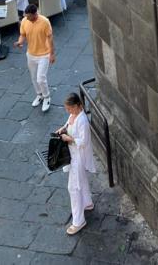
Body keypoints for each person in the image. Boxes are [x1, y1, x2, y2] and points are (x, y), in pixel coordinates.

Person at [57, 92, 96, 234]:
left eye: (70, 109)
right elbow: (68, 124)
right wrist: (63, 129)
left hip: (78, 156)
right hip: (73, 154)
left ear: (78, 106)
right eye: (67, 110)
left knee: (73, 188)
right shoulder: (73, 116)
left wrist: (70, 139)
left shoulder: (83, 121)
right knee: (82, 180)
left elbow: (84, 141)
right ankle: (87, 202)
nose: (68, 112)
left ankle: (78, 221)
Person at [14, 3, 55, 111]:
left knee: (40, 78)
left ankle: (47, 97)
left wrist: (52, 54)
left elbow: (50, 38)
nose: (26, 18)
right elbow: (23, 34)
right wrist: (19, 42)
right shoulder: (24, 21)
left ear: (35, 14)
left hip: (44, 54)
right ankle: (39, 95)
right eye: (25, 16)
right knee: (33, 77)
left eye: (28, 16)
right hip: (31, 54)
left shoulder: (45, 22)